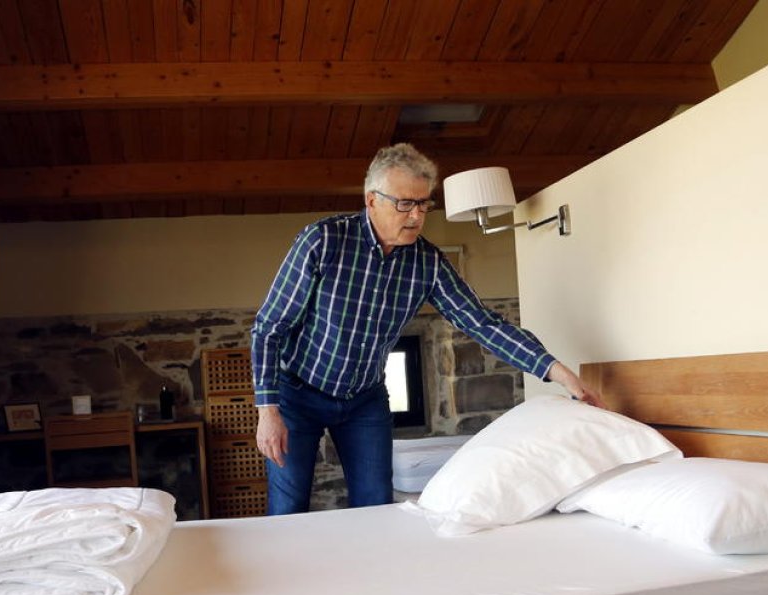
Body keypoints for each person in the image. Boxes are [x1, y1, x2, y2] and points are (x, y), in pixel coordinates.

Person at [250, 143, 602, 516]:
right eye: (405, 203)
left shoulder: (427, 262)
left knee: (375, 508)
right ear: (371, 200)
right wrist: (267, 411)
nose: (416, 215)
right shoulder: (323, 241)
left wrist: (558, 372)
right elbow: (270, 326)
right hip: (296, 396)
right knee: (287, 508)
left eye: (423, 204)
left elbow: (482, 323)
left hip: (364, 399)